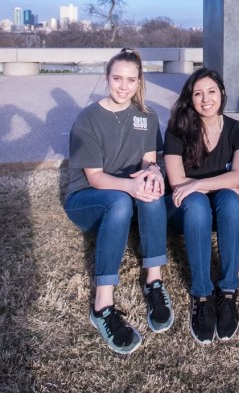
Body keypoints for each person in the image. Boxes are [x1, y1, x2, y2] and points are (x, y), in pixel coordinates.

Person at [64, 48, 174, 355]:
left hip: (126, 189)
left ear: (139, 81)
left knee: (151, 194)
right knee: (123, 202)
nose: (123, 86)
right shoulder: (88, 119)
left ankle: (154, 282)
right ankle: (102, 306)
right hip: (88, 198)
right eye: (117, 79)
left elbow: (149, 161)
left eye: (130, 80)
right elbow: (96, 178)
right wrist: (132, 186)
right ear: (106, 78)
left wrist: (151, 175)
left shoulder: (147, 116)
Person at [164, 67, 239, 345]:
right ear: (191, 98)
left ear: (222, 94)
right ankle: (202, 295)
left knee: (230, 198)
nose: (206, 98)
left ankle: (227, 292)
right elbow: (177, 181)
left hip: (223, 211)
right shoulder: (178, 131)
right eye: (198, 93)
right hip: (186, 212)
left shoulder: (238, 130)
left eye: (211, 91)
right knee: (199, 202)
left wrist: (197, 183)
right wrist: (198, 188)